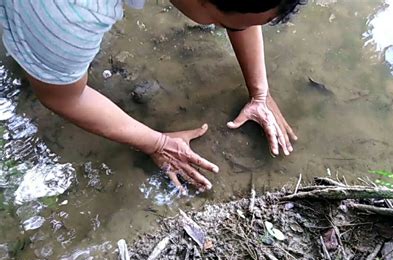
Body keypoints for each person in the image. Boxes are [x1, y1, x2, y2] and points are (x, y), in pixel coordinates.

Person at [0, 0, 302, 191]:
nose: (237, 28)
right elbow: (61, 96)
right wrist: (156, 143)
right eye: (224, 24)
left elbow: (239, 12)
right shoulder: (71, 12)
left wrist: (260, 91)